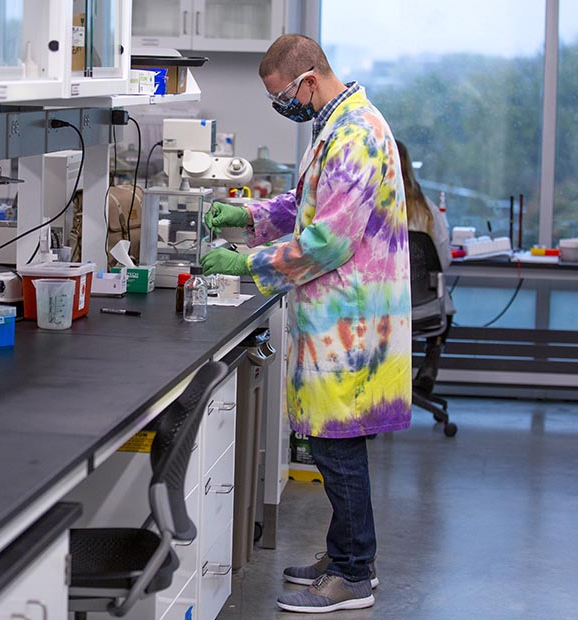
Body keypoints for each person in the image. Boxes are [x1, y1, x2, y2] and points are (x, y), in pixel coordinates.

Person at [200, 34, 411, 614]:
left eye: (282, 96)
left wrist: (247, 262)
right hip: (338, 313)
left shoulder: (358, 135)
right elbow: (306, 206)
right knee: (332, 440)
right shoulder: (337, 127)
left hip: (351, 322)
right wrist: (249, 214)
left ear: (308, 81)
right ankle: (345, 553)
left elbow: (328, 239)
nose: (282, 106)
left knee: (335, 443)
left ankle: (354, 574)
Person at [396, 140, 454, 394]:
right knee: (446, 305)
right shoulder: (428, 209)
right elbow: (444, 261)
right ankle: (432, 356)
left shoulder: (369, 207)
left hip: (383, 308)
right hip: (425, 309)